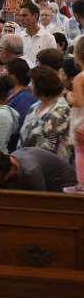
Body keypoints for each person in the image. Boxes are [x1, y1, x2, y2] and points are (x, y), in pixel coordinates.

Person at [17, 65, 71, 162]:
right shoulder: (35, 106)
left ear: (41, 86)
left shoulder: (60, 110)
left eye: (33, 83)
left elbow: (50, 146)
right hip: (26, 160)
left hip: (47, 167)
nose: (30, 87)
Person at [0, 148, 77, 192]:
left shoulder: (31, 171)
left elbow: (41, 204)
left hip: (68, 192)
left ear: (9, 171)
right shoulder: (8, 161)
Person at [66, 37, 84, 194]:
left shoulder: (79, 77)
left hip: (81, 119)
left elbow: (78, 102)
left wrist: (69, 96)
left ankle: (82, 183)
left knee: (80, 152)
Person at [5, 58, 37, 144]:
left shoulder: (25, 98)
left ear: (13, 76)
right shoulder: (16, 93)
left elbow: (18, 125)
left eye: (7, 73)